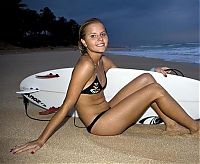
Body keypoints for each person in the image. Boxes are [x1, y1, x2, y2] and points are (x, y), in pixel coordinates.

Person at [11, 18, 199, 155]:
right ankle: (195, 128)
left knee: (147, 79)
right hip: (99, 124)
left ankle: (171, 124)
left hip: (108, 109)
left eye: (103, 34)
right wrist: (40, 140)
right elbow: (68, 105)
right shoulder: (85, 65)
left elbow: (125, 78)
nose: (100, 39)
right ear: (84, 42)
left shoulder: (103, 61)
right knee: (154, 91)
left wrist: (153, 70)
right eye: (93, 36)